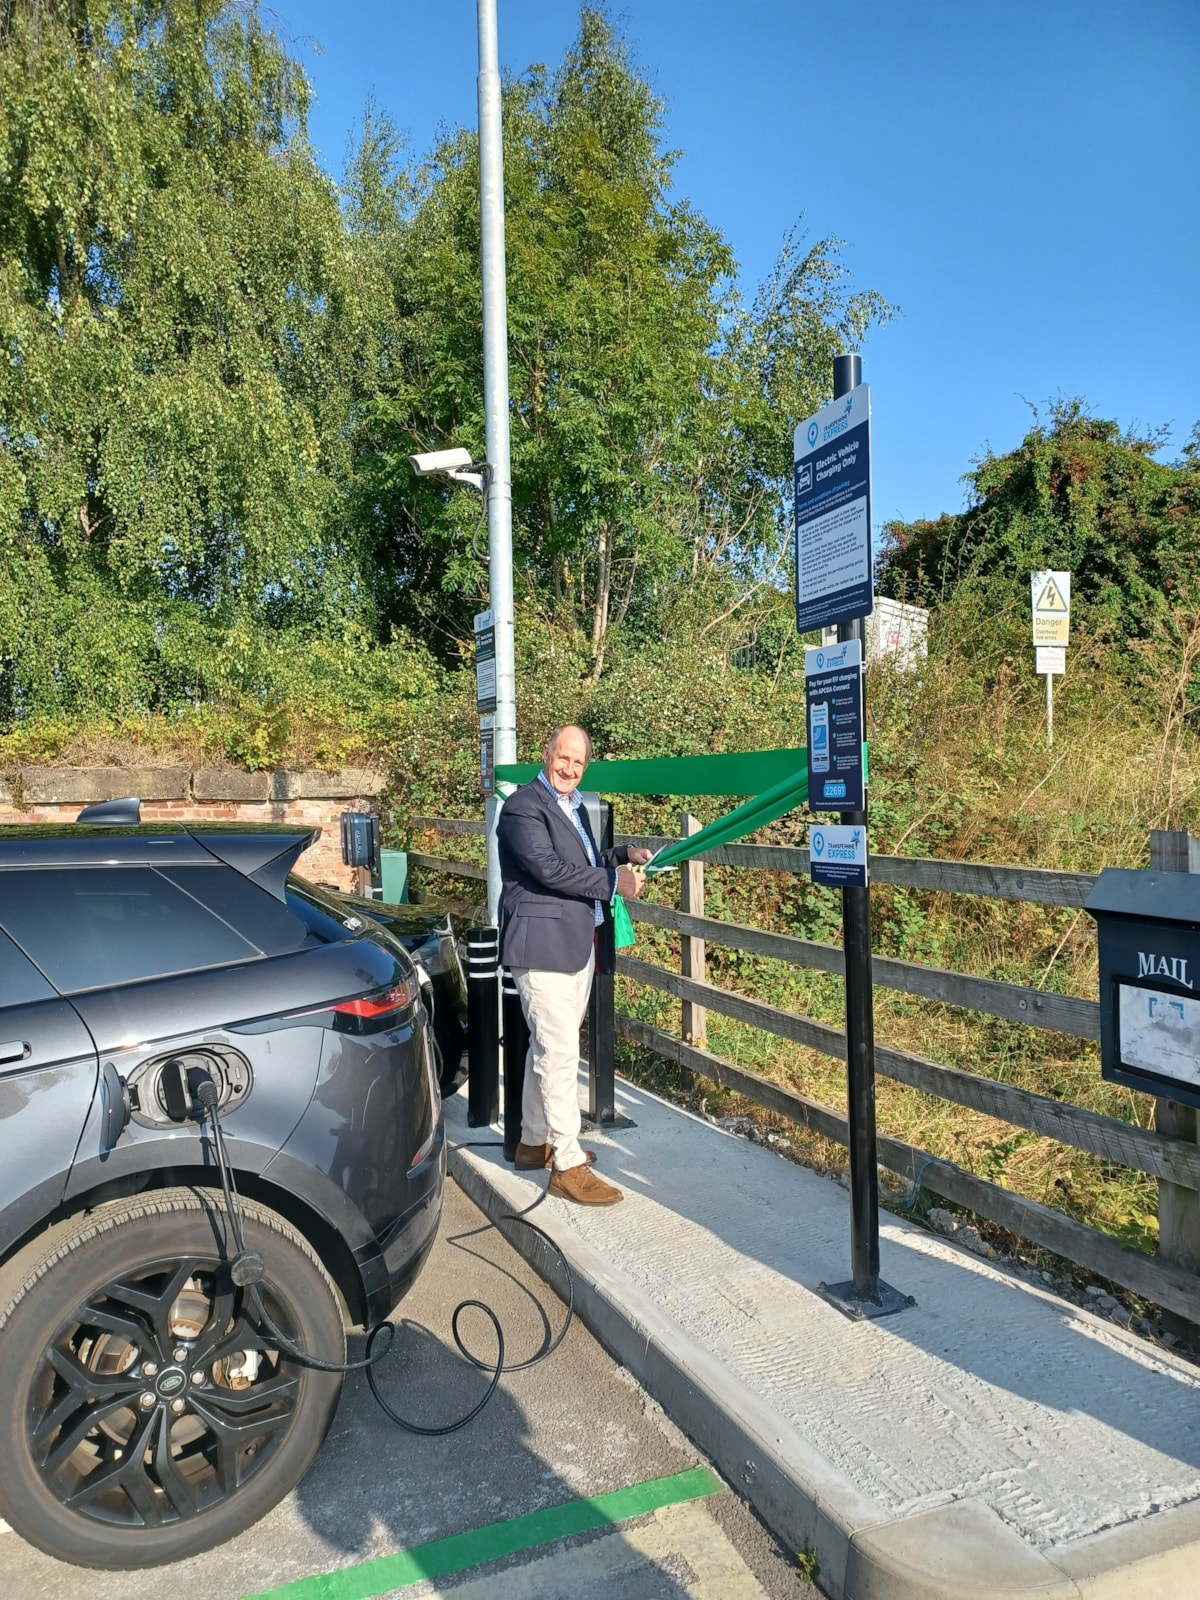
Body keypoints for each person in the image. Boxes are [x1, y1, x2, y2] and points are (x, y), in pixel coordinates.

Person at [497, 725, 651, 1205]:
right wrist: (614, 881)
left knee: (547, 1048)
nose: (568, 768)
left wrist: (620, 856)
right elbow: (549, 869)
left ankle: (532, 1142)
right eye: (562, 758)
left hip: (572, 944)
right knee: (558, 1054)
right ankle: (565, 1163)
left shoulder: (573, 804)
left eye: (578, 762)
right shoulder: (524, 806)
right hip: (542, 946)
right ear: (545, 755)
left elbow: (579, 859)